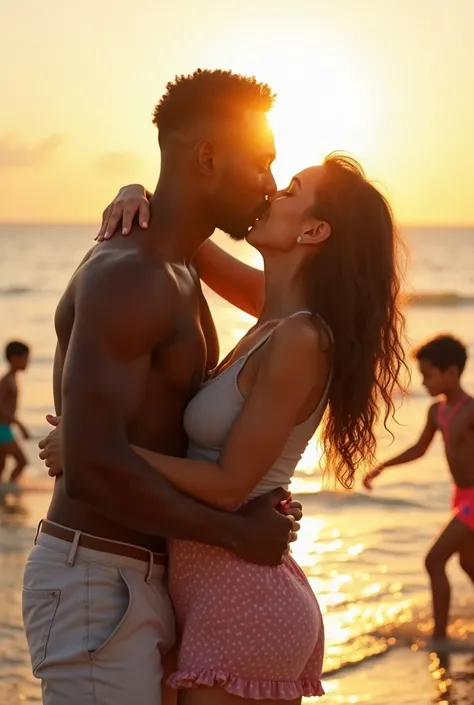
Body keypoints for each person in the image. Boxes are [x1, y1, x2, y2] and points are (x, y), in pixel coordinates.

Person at [42, 152, 406, 703]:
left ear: (314, 229)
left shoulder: (301, 338)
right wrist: (135, 190)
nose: (272, 194)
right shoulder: (274, 314)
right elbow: (186, 231)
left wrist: (96, 447)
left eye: (291, 189)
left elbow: (230, 485)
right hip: (211, 598)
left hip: (243, 604)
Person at [24, 69, 301, 705]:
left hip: (148, 580)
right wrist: (236, 533)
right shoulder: (133, 276)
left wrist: (257, 498)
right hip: (97, 581)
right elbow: (91, 468)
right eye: (260, 163)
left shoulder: (178, 267)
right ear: (207, 156)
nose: (268, 183)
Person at [364, 334, 474, 646]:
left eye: (428, 375)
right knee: (468, 563)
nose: (423, 382)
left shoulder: (471, 411)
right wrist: (383, 465)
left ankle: (439, 637)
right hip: (462, 498)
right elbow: (419, 449)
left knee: (434, 560)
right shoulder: (436, 413)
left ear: (451, 373)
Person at [0, 340, 30, 485]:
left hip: (4, 428)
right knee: (22, 461)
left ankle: (4, 496)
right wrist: (20, 425)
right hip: (2, 429)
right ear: (14, 358)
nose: (27, 363)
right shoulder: (6, 380)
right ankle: (11, 488)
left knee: (1, 466)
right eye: (25, 358)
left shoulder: (12, 379)